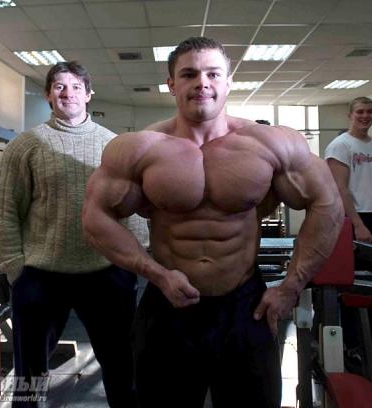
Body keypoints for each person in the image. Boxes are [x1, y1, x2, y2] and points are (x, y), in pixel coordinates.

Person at [81, 37, 344, 408]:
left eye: (212, 74)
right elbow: (95, 215)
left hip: (245, 304)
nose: (201, 83)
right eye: (189, 74)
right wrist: (155, 273)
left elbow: (328, 204)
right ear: (171, 84)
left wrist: (291, 285)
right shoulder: (139, 147)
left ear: (228, 81)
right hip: (168, 303)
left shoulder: (269, 143)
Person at [0, 61, 149, 407]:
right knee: (29, 376)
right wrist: (14, 267)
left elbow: (131, 208)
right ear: (48, 95)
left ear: (89, 94)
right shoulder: (26, 145)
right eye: (59, 86)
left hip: (105, 274)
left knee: (122, 368)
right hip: (42, 276)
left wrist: (134, 262)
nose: (68, 93)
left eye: (76, 86)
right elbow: (2, 209)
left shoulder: (114, 145)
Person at [324, 97, 372, 352]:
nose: (365, 116)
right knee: (353, 280)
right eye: (360, 112)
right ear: (350, 115)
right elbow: (340, 189)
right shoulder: (341, 145)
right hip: (354, 219)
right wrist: (357, 225)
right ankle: (348, 340)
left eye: (369, 112)